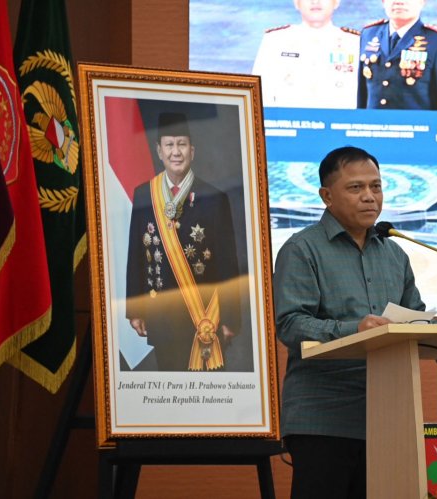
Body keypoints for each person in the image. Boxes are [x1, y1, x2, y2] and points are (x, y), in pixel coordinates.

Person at [273, 146, 429, 498]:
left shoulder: (394, 253)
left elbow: (413, 318)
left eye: (376, 186)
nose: (370, 197)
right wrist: (353, 330)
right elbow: (291, 324)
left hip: (387, 415)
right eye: (356, 188)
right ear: (326, 196)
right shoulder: (302, 249)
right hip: (323, 417)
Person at [125, 112, 242, 371]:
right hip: (160, 315)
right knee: (170, 389)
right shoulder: (144, 194)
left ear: (192, 151)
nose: (176, 152)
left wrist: (231, 317)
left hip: (205, 316)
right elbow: (136, 255)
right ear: (159, 151)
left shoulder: (214, 197)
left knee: (207, 393)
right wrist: (135, 309)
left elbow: (228, 262)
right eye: (169, 145)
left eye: (182, 144)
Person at [252, 0, 360, 109]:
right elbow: (258, 95)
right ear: (296, 3)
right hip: (285, 118)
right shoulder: (275, 40)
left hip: (340, 118)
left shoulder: (355, 43)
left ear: (336, 2)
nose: (315, 2)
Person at [357, 0, 437, 110]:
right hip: (373, 120)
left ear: (422, 2)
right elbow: (362, 92)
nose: (399, 2)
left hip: (416, 120)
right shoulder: (369, 34)